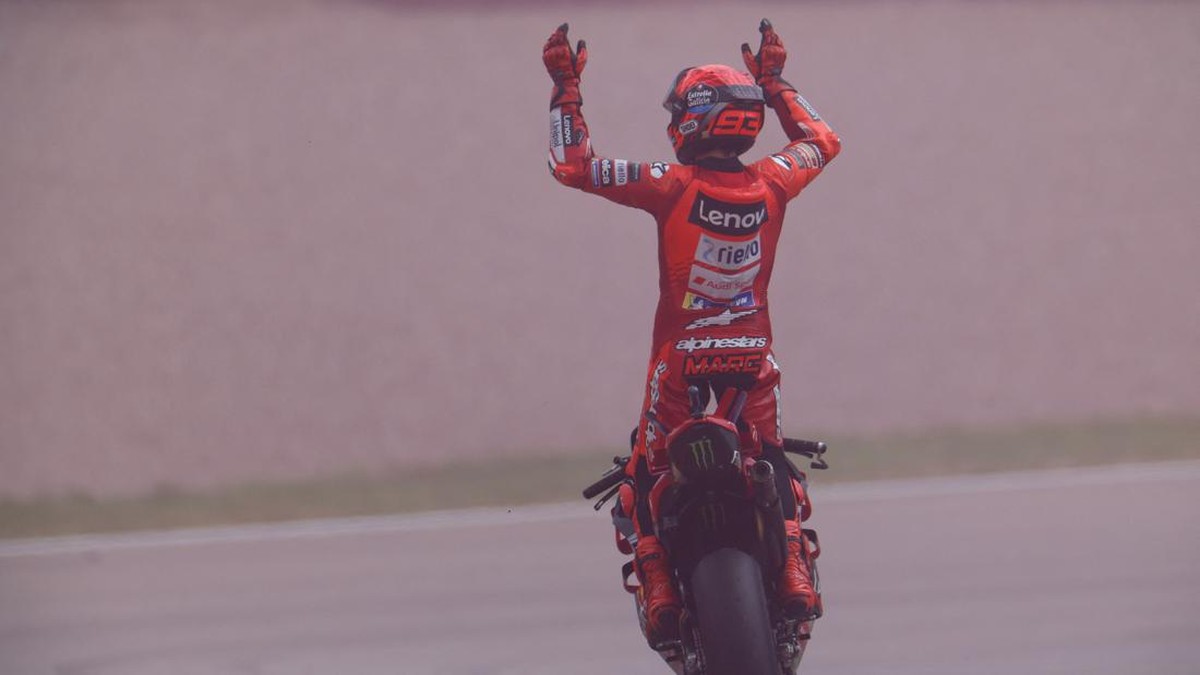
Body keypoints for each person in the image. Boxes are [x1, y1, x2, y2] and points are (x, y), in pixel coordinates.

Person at [543, 19, 841, 645]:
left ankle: (657, 585)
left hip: (679, 364)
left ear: (693, 121)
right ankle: (792, 565)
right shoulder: (774, 179)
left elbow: (572, 166)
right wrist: (777, 82)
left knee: (643, 476)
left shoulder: (668, 184)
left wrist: (565, 89)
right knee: (773, 459)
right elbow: (823, 139)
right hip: (754, 359)